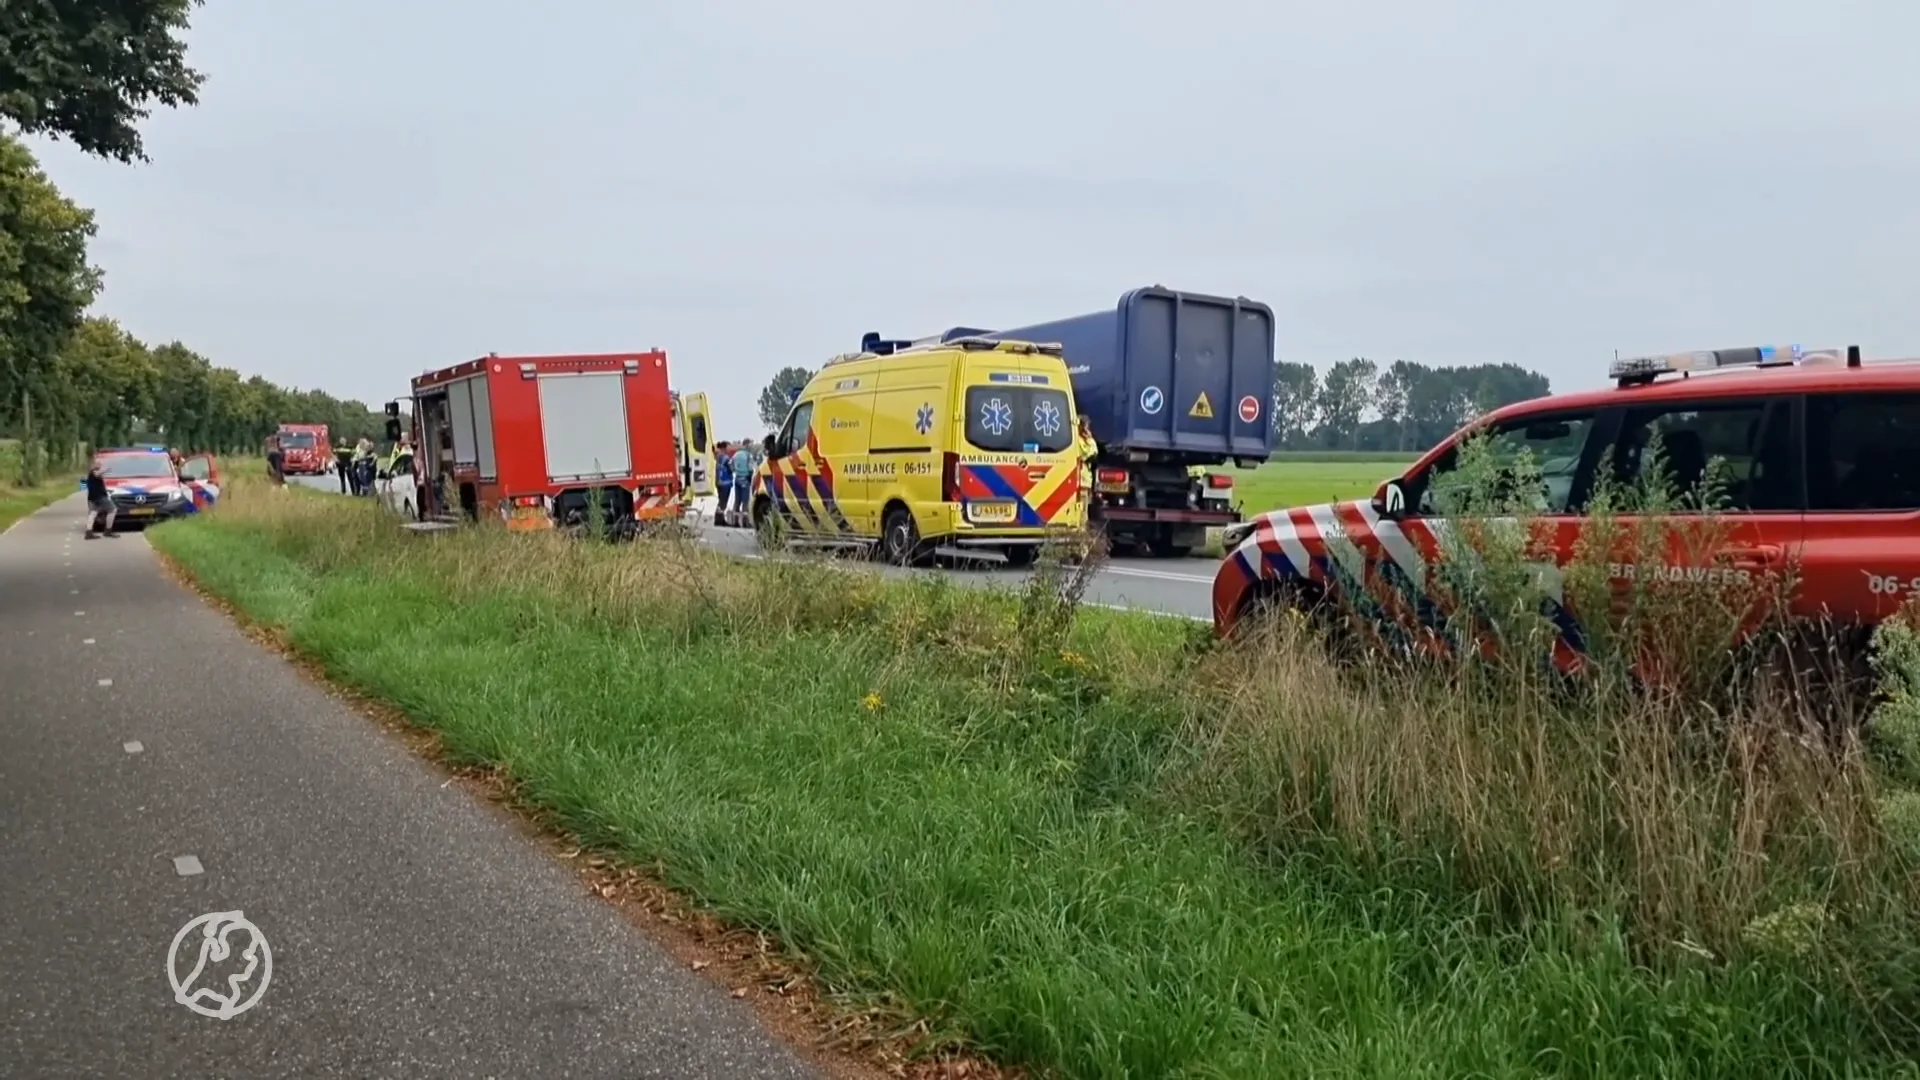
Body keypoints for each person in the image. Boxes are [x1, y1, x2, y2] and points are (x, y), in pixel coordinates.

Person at [82, 461, 118, 539]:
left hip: (92, 497)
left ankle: (88, 532)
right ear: (93, 465)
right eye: (98, 464)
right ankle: (108, 531)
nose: (100, 465)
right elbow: (97, 474)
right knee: (112, 510)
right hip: (99, 497)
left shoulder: (91, 474)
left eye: (100, 464)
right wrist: (107, 469)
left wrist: (106, 490)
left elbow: (96, 485)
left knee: (93, 513)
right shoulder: (93, 472)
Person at [727, 439, 755, 527]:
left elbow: (730, 464)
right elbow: (750, 468)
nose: (751, 446)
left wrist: (735, 470)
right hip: (745, 479)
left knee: (737, 500)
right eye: (750, 445)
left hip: (737, 479)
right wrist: (750, 477)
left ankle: (735, 521)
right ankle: (745, 522)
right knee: (745, 502)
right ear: (746, 445)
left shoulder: (736, 454)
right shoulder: (748, 455)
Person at [712, 440, 734, 526]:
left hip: (719, 482)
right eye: (728, 448)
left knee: (720, 501)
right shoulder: (726, 458)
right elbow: (731, 469)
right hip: (725, 483)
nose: (729, 450)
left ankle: (718, 518)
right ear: (724, 448)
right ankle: (720, 520)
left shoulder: (717, 457)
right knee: (723, 502)